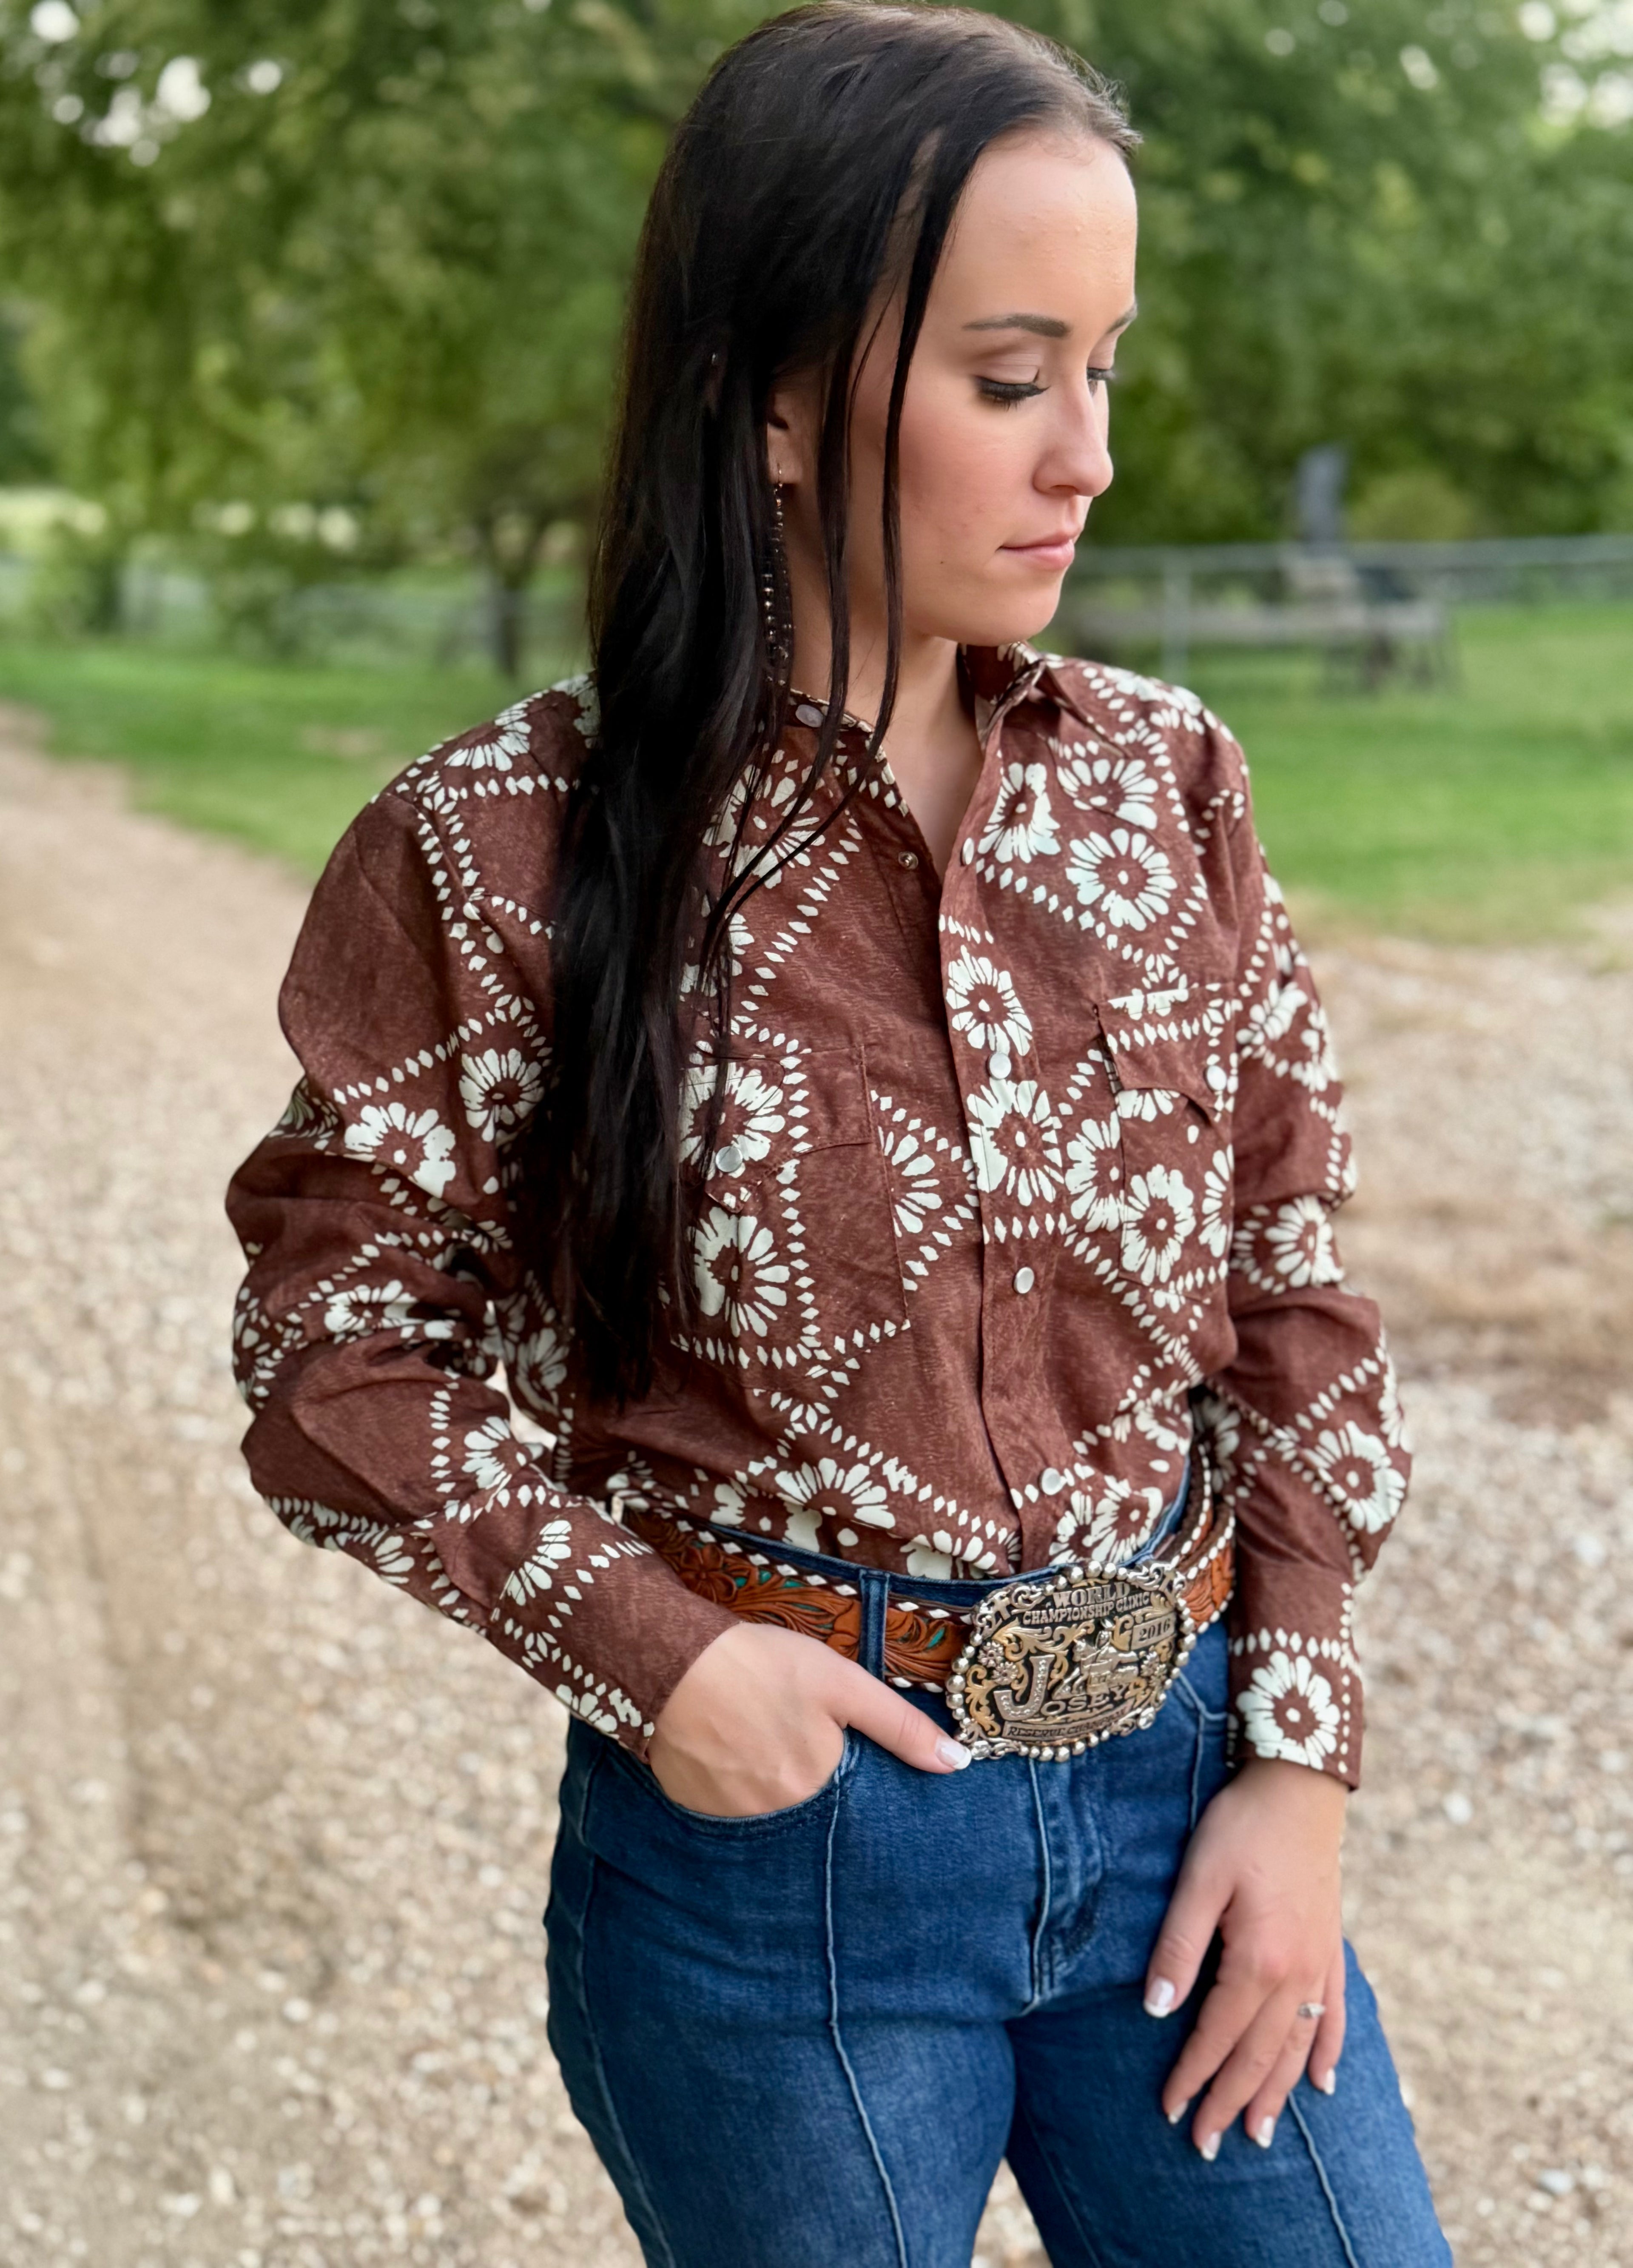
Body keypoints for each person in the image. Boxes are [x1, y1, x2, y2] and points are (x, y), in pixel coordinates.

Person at [225, 6, 1451, 2261]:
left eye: (1105, 365)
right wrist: (651, 1651)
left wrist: (1301, 1755)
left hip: (1184, 1805)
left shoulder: (1173, 786)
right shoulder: (498, 854)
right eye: (1011, 376)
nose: (1085, 453)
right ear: (778, 398)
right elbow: (329, 1351)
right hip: (784, 1872)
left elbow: (1292, 1282)